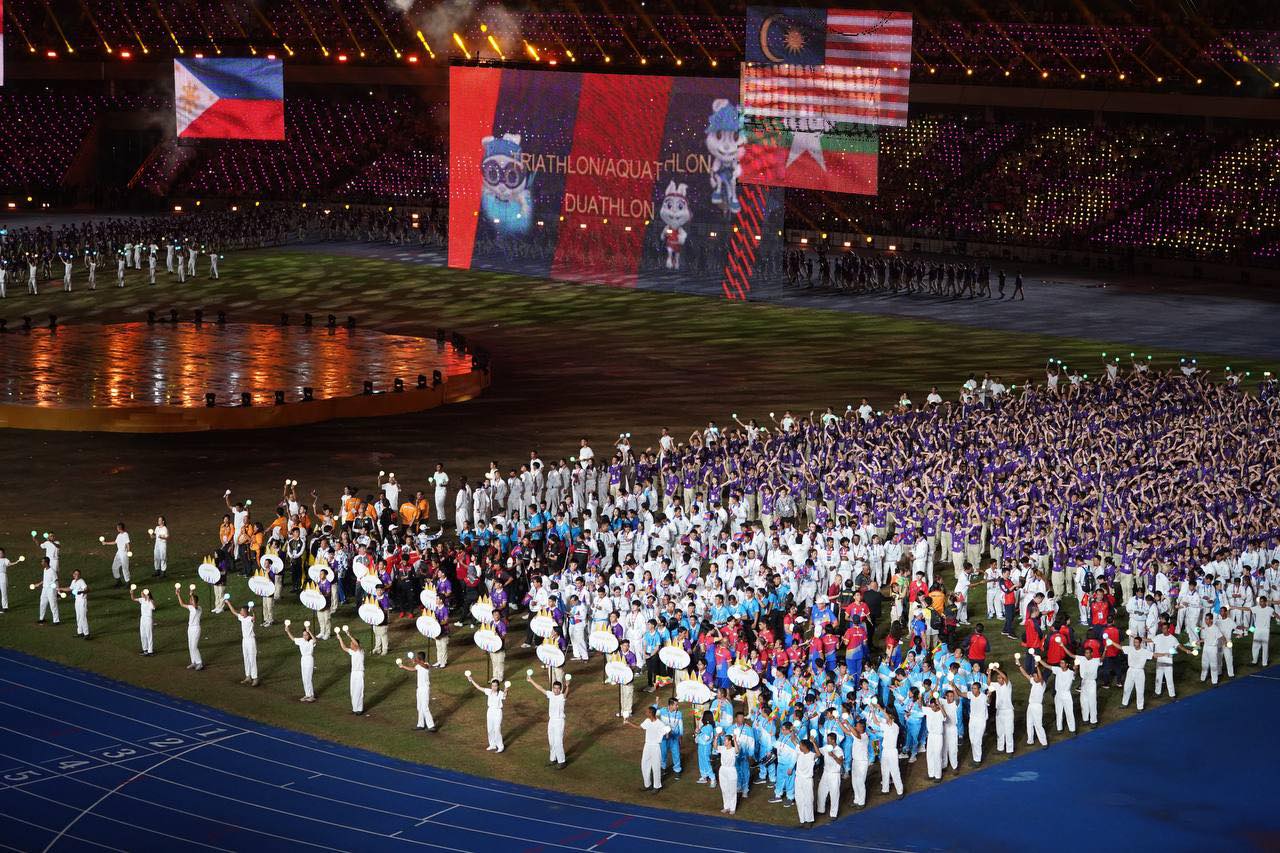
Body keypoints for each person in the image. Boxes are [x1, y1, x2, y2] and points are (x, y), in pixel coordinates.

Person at [526, 669, 569, 766]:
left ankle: (562, 761)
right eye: (555, 688)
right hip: (551, 721)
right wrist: (531, 680)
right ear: (553, 688)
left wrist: (567, 686)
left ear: (560, 689)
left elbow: (566, 693)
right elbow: (540, 688)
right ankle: (553, 759)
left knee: (558, 742)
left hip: (559, 722)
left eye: (558, 688)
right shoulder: (550, 694)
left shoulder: (562, 697)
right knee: (551, 741)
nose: (556, 690)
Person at [623, 704, 669, 791]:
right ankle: (647, 785)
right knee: (644, 765)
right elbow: (639, 727)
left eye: (647, 712)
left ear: (651, 713)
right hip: (647, 746)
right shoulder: (647, 721)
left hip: (655, 747)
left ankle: (657, 786)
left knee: (656, 767)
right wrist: (628, 723)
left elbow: (666, 733)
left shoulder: (660, 724)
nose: (645, 713)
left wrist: (667, 733)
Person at [465, 671, 507, 752]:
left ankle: (500, 746)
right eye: (492, 686)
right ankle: (492, 745)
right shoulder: (488, 691)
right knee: (490, 729)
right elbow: (478, 687)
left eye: (495, 686)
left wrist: (506, 689)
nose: (493, 687)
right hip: (490, 711)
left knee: (497, 729)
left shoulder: (500, 693)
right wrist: (471, 680)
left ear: (498, 686)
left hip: (497, 712)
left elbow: (505, 695)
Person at [398, 652, 438, 731]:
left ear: (420, 658)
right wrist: (403, 666)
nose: (416, 658)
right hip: (419, 689)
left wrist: (416, 661)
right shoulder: (418, 665)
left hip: (425, 689)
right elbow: (413, 669)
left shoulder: (426, 664)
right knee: (419, 707)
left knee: (425, 707)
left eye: (417, 657)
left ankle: (431, 726)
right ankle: (420, 725)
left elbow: (425, 666)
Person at [223, 599, 259, 686]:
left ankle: (255, 678)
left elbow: (254, 618)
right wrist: (228, 602)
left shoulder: (250, 619)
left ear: (246, 612)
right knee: (246, 658)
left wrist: (253, 610)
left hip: (251, 640)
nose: (240, 612)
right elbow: (233, 611)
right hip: (244, 640)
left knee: (252, 659)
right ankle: (248, 677)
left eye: (242, 611)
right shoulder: (241, 617)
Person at [284, 620, 318, 702]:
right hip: (303, 659)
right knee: (304, 678)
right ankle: (307, 694)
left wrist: (309, 631)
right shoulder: (301, 640)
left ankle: (311, 695)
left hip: (309, 659)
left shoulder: (311, 641)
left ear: (308, 635)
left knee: (308, 678)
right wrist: (288, 631)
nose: (304, 636)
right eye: (303, 635)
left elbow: (315, 640)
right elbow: (293, 639)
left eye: (306, 635)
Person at [336, 626, 366, 714]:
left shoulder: (360, 651)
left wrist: (349, 635)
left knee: (359, 691)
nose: (350, 645)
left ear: (355, 644)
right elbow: (344, 648)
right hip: (353, 673)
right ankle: (354, 709)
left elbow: (356, 645)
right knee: (353, 690)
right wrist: (340, 639)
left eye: (351, 644)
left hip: (359, 673)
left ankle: (359, 709)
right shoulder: (352, 652)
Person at [1119, 634, 1153, 710]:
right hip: (1130, 671)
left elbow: (1155, 655)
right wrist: (1111, 642)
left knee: (1140, 690)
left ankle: (1140, 707)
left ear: (1140, 643)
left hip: (1140, 672)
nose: (1135, 644)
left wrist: (1166, 654)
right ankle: (1124, 703)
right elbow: (1120, 647)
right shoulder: (1130, 649)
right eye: (1134, 642)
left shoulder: (1145, 652)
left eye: (1137, 642)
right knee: (1127, 688)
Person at [175, 584, 203, 669]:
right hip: (190, 628)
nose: (190, 600)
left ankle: (199, 663)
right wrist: (178, 594)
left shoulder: (199, 608)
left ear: (194, 601)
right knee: (190, 646)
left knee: (194, 646)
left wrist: (192, 594)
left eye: (191, 600)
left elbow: (195, 606)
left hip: (196, 629)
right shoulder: (191, 607)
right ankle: (193, 662)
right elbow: (182, 604)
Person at [816, 731, 843, 819]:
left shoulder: (839, 750)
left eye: (828, 740)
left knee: (834, 794)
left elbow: (840, 762)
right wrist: (814, 742)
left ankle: (833, 814)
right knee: (821, 791)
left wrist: (833, 756)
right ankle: (820, 809)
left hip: (834, 775)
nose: (826, 741)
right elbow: (818, 752)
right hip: (826, 773)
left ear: (833, 740)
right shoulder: (826, 747)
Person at [128, 585, 157, 656]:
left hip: (148, 619)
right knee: (143, 634)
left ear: (146, 594)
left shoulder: (151, 601)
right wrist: (132, 593)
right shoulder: (142, 599)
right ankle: (145, 650)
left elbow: (154, 607)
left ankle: (150, 651)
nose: (141, 594)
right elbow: (133, 599)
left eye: (142, 593)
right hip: (142, 619)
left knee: (149, 635)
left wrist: (149, 599)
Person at [716, 731, 740, 815]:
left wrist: (735, 740)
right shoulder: (722, 748)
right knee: (724, 789)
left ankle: (732, 808)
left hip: (731, 770)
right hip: (723, 770)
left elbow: (737, 751)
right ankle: (726, 807)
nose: (724, 741)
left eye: (725, 740)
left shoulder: (733, 749)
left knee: (732, 790)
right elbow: (715, 747)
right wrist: (716, 737)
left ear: (730, 741)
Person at [101, 523, 131, 587]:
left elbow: (127, 544)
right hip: (119, 553)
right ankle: (118, 581)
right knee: (114, 567)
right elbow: (115, 542)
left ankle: (128, 583)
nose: (116, 528)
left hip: (124, 553)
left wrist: (128, 551)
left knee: (124, 568)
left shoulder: (125, 534)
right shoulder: (119, 535)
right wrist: (106, 543)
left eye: (117, 527)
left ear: (119, 528)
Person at [62, 569, 88, 638]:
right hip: (77, 601)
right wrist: (60, 589)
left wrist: (81, 592)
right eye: (75, 574)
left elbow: (87, 589)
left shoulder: (81, 581)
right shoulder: (73, 581)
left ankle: (87, 634)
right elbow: (70, 588)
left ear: (80, 575)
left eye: (78, 574)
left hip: (82, 600)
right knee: (78, 616)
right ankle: (80, 632)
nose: (77, 575)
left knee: (83, 617)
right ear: (73, 575)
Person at [34, 556, 60, 625]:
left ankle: (56, 620)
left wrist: (58, 591)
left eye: (42, 562)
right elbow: (45, 580)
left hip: (51, 590)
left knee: (53, 605)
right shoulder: (45, 570)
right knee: (42, 603)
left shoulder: (52, 571)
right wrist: (39, 584)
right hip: (44, 589)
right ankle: (41, 619)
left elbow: (56, 581)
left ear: (46, 563)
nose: (41, 563)